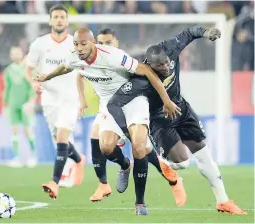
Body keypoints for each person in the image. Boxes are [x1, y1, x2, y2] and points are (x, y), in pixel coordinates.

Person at [36, 27, 183, 215]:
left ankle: (140, 203)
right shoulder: (74, 57)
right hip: (109, 105)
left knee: (139, 146)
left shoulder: (112, 55)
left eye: (83, 44)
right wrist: (47, 76)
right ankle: (125, 165)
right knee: (106, 147)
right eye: (76, 44)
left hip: (133, 99)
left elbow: (145, 69)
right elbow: (65, 66)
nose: (79, 48)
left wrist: (166, 100)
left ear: (92, 43)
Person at [107, 26, 247, 215]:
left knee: (204, 154)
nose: (166, 67)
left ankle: (223, 201)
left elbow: (189, 33)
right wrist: (126, 131)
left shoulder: (171, 48)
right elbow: (114, 103)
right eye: (160, 66)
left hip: (182, 110)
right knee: (182, 163)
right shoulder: (139, 80)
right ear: (149, 65)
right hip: (160, 122)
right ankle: (161, 160)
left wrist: (206, 33)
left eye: (166, 62)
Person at [82, 28, 186, 206]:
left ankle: (173, 180)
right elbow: (79, 72)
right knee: (101, 141)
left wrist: (163, 101)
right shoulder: (91, 60)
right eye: (101, 43)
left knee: (141, 149)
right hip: (108, 107)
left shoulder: (121, 59)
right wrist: (81, 99)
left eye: (108, 42)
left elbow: (147, 75)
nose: (105, 46)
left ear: (116, 43)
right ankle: (114, 174)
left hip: (131, 104)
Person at [25, 4, 85, 195]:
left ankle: (54, 182)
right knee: (61, 141)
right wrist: (33, 83)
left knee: (61, 139)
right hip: (49, 100)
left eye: (62, 17)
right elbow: (28, 70)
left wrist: (82, 98)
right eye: (56, 17)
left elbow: (82, 70)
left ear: (67, 21)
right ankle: (79, 159)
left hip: (69, 98)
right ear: (50, 20)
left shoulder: (75, 44)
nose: (59, 20)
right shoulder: (39, 44)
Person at [3, 46, 36, 167]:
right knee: (14, 131)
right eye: (13, 54)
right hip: (12, 104)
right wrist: (5, 104)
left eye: (17, 53)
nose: (15, 55)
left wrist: (31, 102)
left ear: (22, 54)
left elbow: (33, 87)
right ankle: (16, 158)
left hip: (25, 105)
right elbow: (7, 89)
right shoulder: (8, 70)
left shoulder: (28, 69)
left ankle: (33, 156)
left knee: (27, 130)